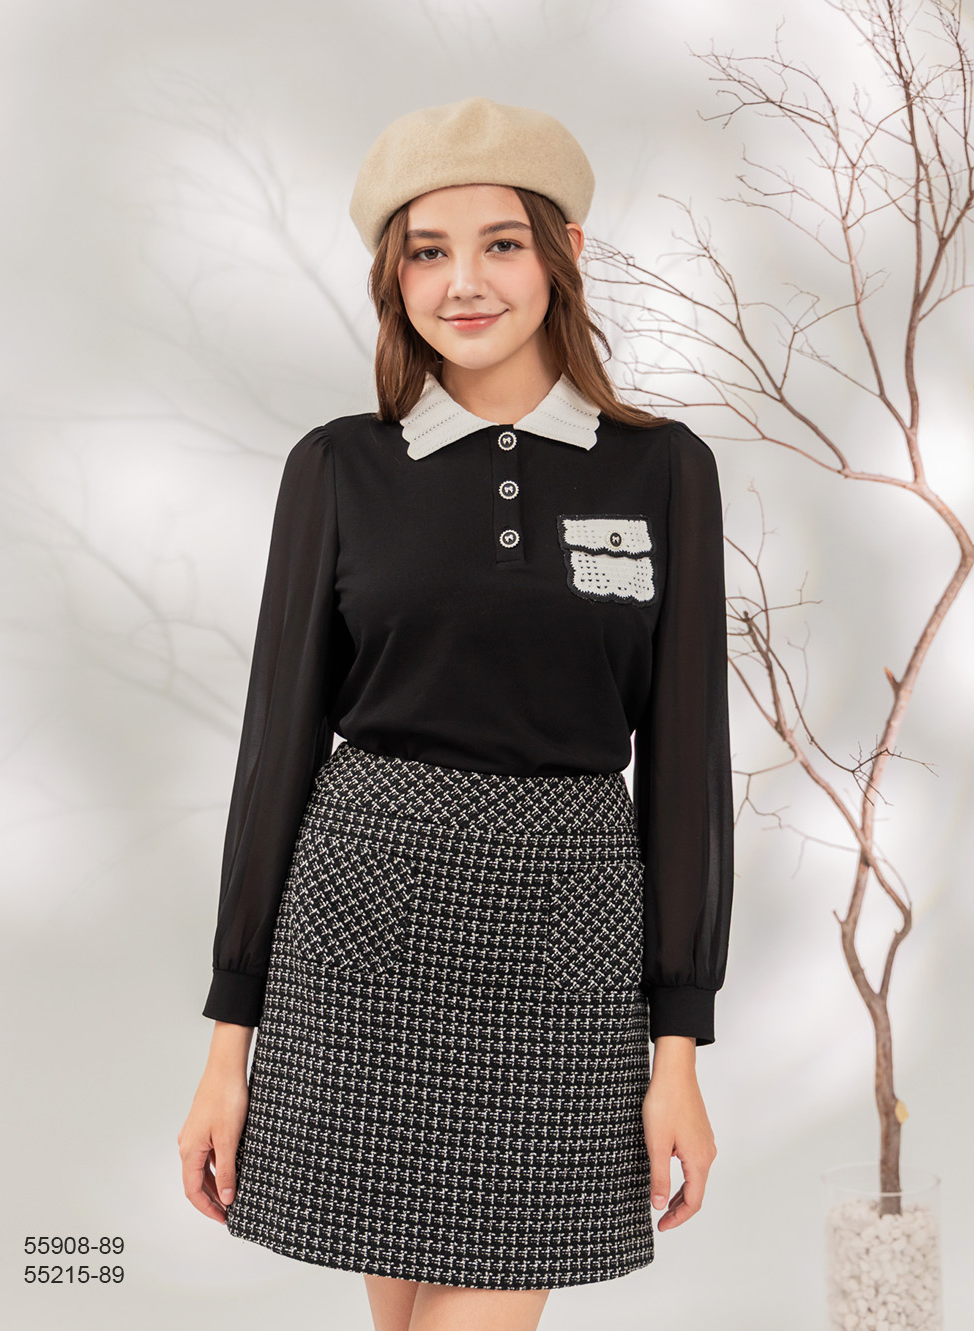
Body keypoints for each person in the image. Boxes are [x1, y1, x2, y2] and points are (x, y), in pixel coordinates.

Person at [178, 97, 734, 1331]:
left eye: (500, 243)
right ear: (395, 277)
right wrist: (228, 1050)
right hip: (363, 924)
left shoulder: (662, 469)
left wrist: (677, 1049)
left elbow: (686, 765)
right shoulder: (340, 465)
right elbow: (275, 756)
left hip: (569, 937)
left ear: (563, 253)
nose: (463, 282)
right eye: (427, 251)